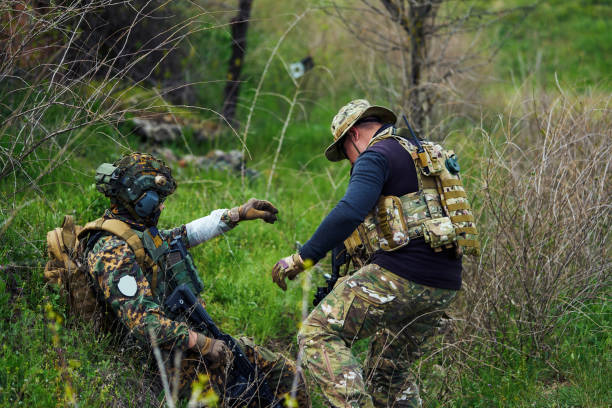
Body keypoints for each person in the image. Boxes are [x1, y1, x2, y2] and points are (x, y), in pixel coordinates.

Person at [271, 100, 479, 407]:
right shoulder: (417, 154)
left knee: (316, 333)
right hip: (444, 285)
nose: (349, 163)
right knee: (388, 373)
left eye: (344, 154)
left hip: (403, 275)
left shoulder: (375, 156)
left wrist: (302, 258)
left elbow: (349, 211)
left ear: (354, 135)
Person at [80, 152, 310, 407]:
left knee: (286, 374)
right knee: (245, 395)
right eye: (159, 199)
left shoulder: (134, 232)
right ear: (139, 199)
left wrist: (236, 214)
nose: (162, 206)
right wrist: (200, 342)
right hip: (161, 362)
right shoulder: (111, 251)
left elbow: (182, 236)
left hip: (182, 344)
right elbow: (144, 324)